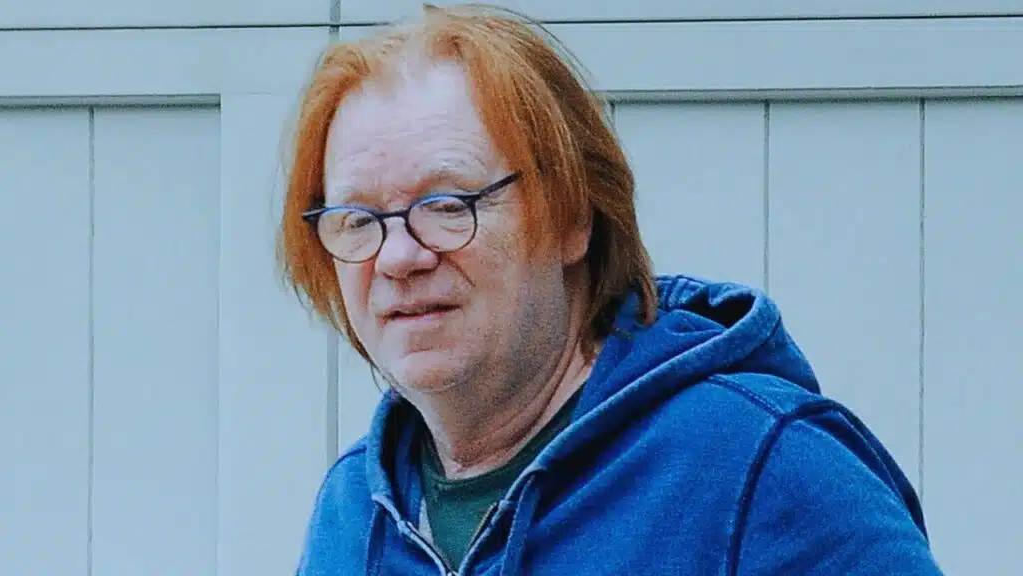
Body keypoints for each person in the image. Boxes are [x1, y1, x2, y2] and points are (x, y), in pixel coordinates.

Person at [279, 4, 943, 575]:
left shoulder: (763, 465)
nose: (398, 257)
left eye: (449, 205)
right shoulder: (353, 508)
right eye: (356, 220)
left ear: (572, 217)